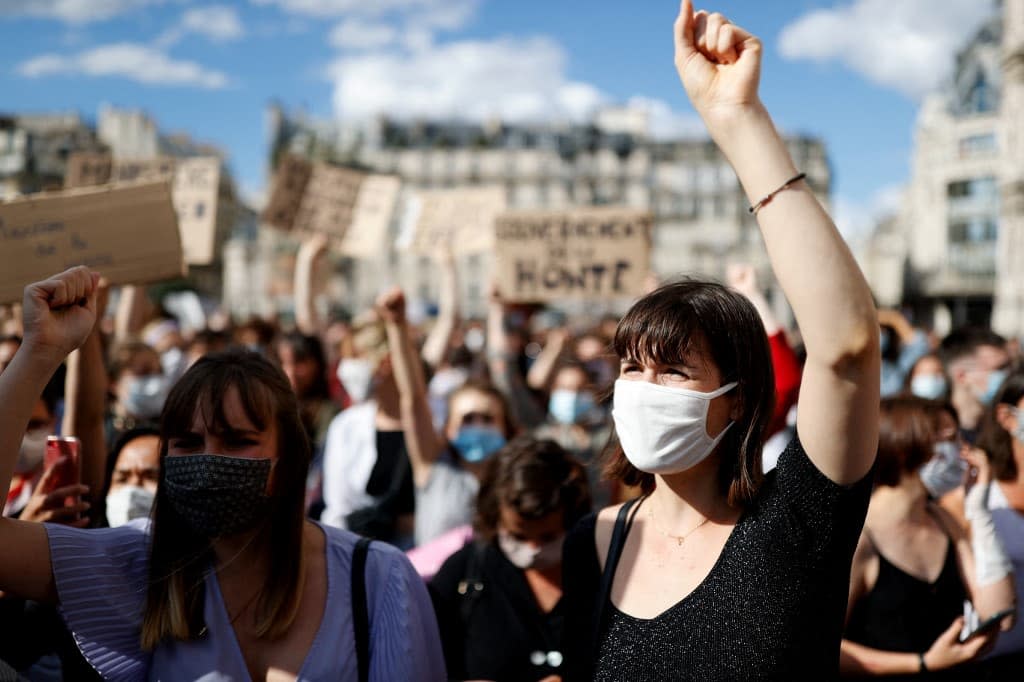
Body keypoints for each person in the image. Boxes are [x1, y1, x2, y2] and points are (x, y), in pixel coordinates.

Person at [560, 3, 881, 679]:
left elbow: (847, 345)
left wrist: (738, 121)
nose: (644, 390)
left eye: (674, 371)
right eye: (630, 367)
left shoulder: (797, 523)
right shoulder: (596, 542)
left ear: (735, 400)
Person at [0, 266, 445, 681]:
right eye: (188, 444)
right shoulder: (141, 563)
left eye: (237, 441)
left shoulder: (378, 580)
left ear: (287, 459)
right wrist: (39, 352)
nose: (210, 459)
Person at [840, 397, 1015, 679]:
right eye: (948, 440)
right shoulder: (859, 538)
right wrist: (921, 663)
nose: (964, 451)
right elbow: (821, 646)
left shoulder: (943, 521)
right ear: (904, 446)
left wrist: (978, 510)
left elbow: (1001, 612)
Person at [430, 437, 591, 682]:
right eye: (518, 536)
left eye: (548, 537)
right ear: (494, 517)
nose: (533, 549)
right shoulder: (464, 573)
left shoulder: (602, 573)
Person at [377, 286, 518, 547]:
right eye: (467, 419)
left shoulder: (514, 482)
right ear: (449, 428)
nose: (477, 426)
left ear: (505, 428)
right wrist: (397, 326)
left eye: (487, 419)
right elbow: (414, 398)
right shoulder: (433, 465)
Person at [939, 328, 1012, 442]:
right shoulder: (934, 433)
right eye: (999, 369)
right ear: (961, 376)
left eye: (1010, 368)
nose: (1009, 376)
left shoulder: (1009, 429)